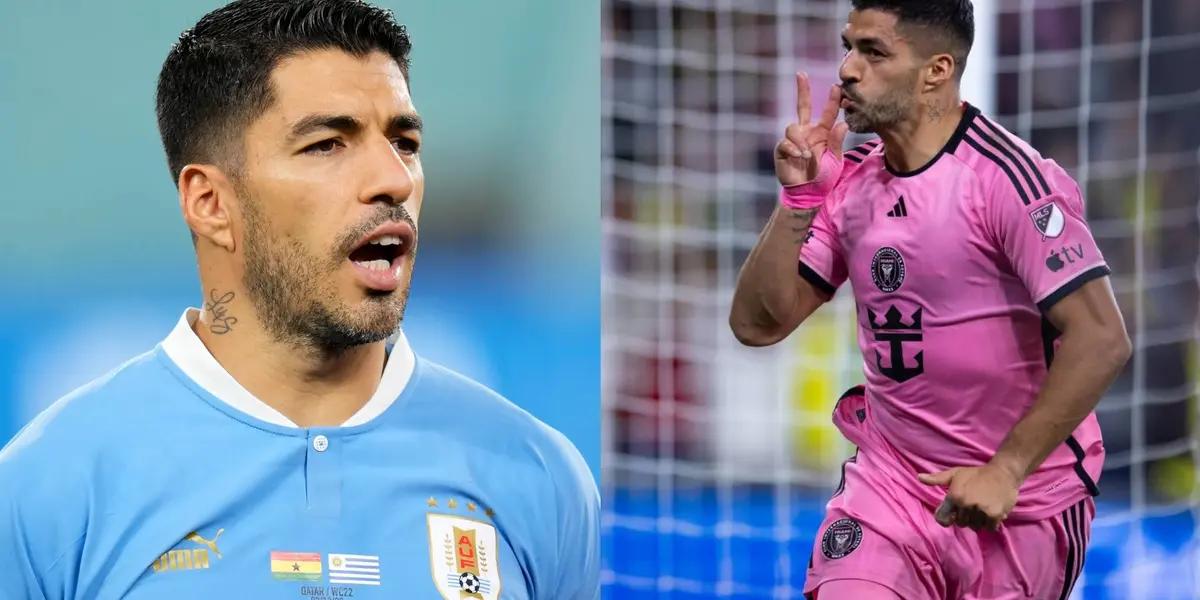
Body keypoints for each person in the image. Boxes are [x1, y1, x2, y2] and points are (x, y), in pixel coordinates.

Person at [0, 1, 599, 598]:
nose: (392, 179)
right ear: (209, 202)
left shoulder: (540, 476)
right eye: (327, 145)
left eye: (405, 141)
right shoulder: (50, 484)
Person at [728, 1, 1130, 598]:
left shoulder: (1010, 180)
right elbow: (757, 326)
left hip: (1021, 501)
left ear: (936, 70)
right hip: (890, 488)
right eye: (849, 46)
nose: (847, 69)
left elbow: (1102, 339)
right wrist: (798, 203)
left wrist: (1006, 469)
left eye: (873, 52)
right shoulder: (850, 181)